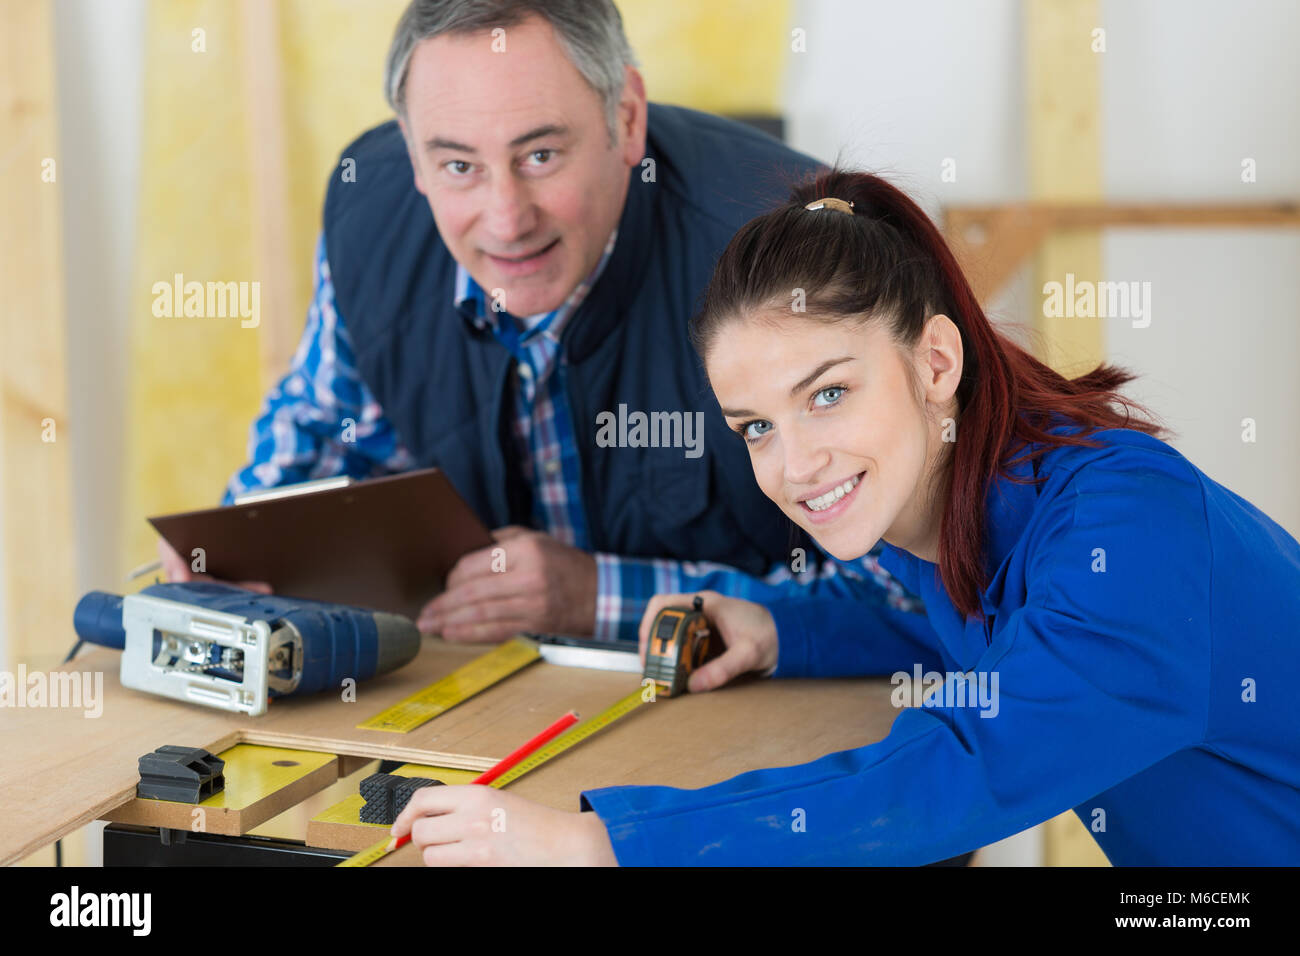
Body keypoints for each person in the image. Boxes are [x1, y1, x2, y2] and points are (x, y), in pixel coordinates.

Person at [391, 168, 1300, 865]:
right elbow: (979, 631)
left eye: (827, 393)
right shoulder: (962, 504)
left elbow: (966, 766)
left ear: (935, 361)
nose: (794, 466)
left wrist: (598, 844)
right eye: (755, 426)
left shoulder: (1130, 529)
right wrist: (781, 630)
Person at [156, 0, 923, 646]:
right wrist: (233, 550)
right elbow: (327, 430)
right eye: (457, 165)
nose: (505, 219)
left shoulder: (787, 250)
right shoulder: (373, 212)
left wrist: (594, 596)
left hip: (785, 727)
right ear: (414, 157)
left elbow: (910, 598)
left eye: (541, 155)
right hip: (508, 716)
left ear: (625, 118)